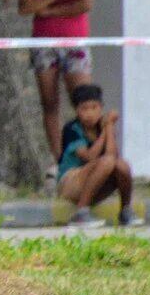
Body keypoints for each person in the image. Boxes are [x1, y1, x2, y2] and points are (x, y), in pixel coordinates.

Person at [18, 0, 96, 182]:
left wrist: (50, 11)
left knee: (84, 100)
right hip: (44, 43)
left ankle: (90, 154)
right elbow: (26, 7)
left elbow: (85, 4)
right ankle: (59, 158)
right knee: (49, 102)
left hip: (73, 40)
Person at [57, 84, 143, 228]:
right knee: (108, 162)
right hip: (71, 182)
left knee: (122, 165)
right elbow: (90, 157)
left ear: (101, 108)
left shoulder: (102, 126)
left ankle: (126, 211)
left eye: (94, 107)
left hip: (95, 181)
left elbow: (113, 156)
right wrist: (106, 130)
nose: (90, 113)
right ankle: (81, 212)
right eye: (84, 108)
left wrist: (108, 127)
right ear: (76, 110)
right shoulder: (72, 129)